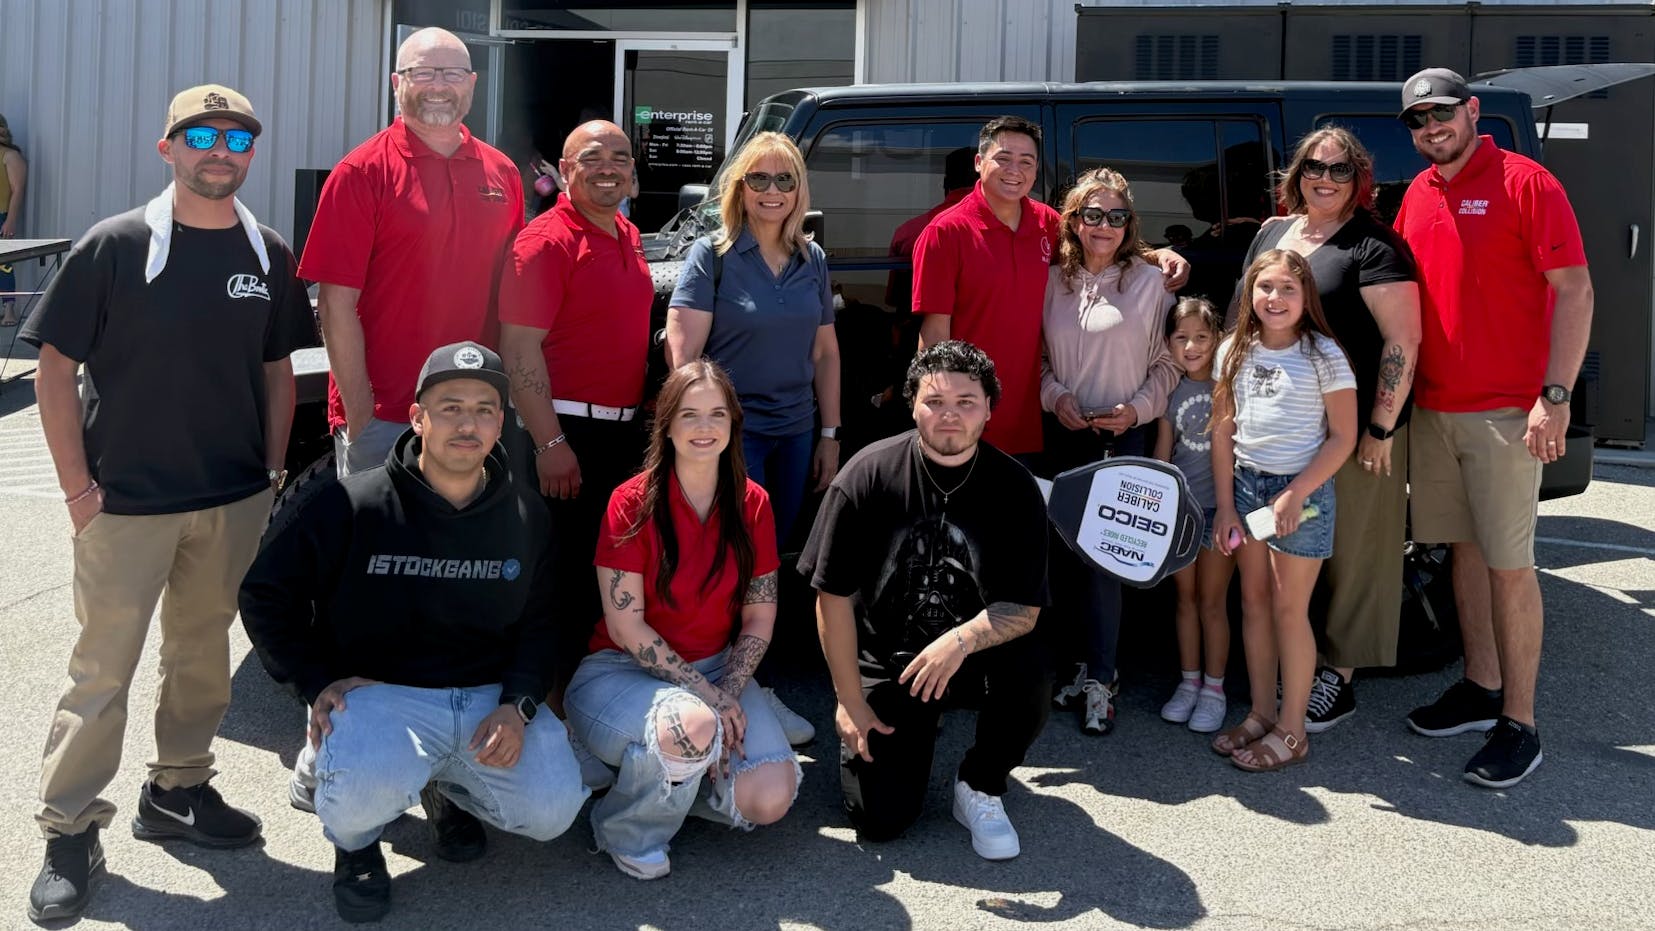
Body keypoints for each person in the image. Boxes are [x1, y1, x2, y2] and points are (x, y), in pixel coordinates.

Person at [20, 84, 314, 922]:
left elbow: (275, 370)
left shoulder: (268, 253)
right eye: (202, 134)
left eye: (238, 137)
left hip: (227, 500)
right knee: (101, 672)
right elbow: (52, 370)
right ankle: (69, 827)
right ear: (168, 147)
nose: (221, 149)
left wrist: (266, 473)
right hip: (126, 504)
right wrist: (79, 491)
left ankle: (177, 791)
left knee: (200, 656)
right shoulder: (115, 246)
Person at [239, 341, 587, 923]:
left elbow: (542, 622)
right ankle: (355, 847)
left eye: (483, 409)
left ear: (501, 423)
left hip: (482, 698)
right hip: (380, 694)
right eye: (449, 407)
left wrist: (519, 705)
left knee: (553, 810)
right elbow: (264, 594)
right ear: (418, 417)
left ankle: (440, 783)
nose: (467, 423)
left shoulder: (527, 515)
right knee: (355, 797)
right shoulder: (351, 503)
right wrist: (315, 680)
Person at [1394, 68, 1593, 788]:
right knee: (1463, 553)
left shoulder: (1525, 182)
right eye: (1416, 121)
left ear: (1471, 110)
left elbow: (1573, 289)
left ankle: (1520, 721)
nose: (1429, 129)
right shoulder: (1417, 194)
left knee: (1510, 566)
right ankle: (1479, 688)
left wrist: (1555, 395)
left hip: (1509, 411)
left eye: (1440, 114)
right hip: (1436, 408)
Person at [800, 341, 1051, 860]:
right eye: (935, 401)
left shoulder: (1016, 488)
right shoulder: (865, 478)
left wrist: (958, 642)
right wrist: (849, 701)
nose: (950, 416)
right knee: (882, 820)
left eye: (966, 401)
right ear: (911, 403)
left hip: (969, 652)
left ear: (989, 408)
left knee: (1032, 662)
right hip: (891, 658)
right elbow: (832, 599)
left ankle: (981, 782)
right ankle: (910, 737)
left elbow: (1023, 608)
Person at [564, 360, 799, 881]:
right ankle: (627, 826)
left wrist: (730, 691)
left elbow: (760, 616)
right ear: (665, 423)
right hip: (621, 671)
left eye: (718, 414)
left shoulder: (753, 503)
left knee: (769, 798)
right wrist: (711, 704)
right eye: (689, 415)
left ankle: (665, 776)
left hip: (718, 671)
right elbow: (627, 628)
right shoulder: (631, 502)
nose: (704, 427)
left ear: (734, 425)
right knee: (694, 728)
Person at [1234, 127, 1421, 733]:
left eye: (1341, 171)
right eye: (1315, 166)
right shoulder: (1272, 232)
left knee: (1353, 554)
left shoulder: (1374, 246)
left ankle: (1337, 676)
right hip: (1278, 428)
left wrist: (1381, 428)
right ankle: (1290, 662)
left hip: (1351, 428)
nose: (1325, 178)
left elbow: (1402, 339)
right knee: (1292, 551)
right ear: (1297, 171)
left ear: (1358, 179)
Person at [300, 26, 524, 477]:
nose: (439, 86)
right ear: (396, 82)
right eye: (423, 73)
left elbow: (512, 298)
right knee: (379, 546)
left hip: (477, 413)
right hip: (387, 419)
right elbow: (334, 306)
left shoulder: (503, 173)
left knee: (469, 543)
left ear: (472, 83)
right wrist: (363, 416)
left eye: (453, 73)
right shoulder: (361, 173)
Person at [911, 116, 1189, 460]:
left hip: (1034, 423)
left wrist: (1156, 254)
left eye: (1026, 161)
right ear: (979, 162)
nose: (1015, 170)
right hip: (971, 419)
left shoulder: (1045, 224)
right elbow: (934, 334)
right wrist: (939, 413)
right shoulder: (945, 234)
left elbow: (1099, 241)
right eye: (1004, 158)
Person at [497, 119, 653, 711]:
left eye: (620, 156)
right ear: (564, 172)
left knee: (599, 577)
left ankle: (584, 709)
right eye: (592, 157)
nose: (609, 166)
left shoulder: (628, 235)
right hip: (563, 432)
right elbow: (518, 349)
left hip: (619, 434)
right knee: (553, 582)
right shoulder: (545, 241)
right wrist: (548, 442)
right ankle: (543, 714)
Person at [1037, 168, 1179, 735]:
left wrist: (1138, 410)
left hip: (1125, 436)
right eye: (1092, 215)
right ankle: (1075, 668)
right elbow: (1037, 363)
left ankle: (1103, 677)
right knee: (1064, 558)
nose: (1104, 226)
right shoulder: (1050, 281)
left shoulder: (1152, 282)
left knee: (1108, 563)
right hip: (1064, 431)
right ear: (1073, 220)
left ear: (1129, 224)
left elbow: (1170, 364)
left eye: (1116, 216)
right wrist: (1056, 398)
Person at [1209, 250, 1357, 773]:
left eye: (1287, 289)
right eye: (1265, 287)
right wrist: (1226, 504)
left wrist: (1297, 493)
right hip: (1247, 491)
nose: (1275, 299)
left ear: (1305, 297)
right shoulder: (1232, 349)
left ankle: (1293, 730)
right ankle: (1261, 712)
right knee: (1252, 603)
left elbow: (1343, 437)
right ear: (1250, 293)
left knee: (1289, 609)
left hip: (1302, 495)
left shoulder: (1324, 355)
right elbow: (1223, 431)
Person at [665, 131, 842, 549]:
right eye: (759, 179)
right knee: (741, 547)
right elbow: (683, 358)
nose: (772, 191)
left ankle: (766, 617)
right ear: (740, 187)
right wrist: (701, 435)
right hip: (734, 435)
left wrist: (830, 437)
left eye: (785, 180)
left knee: (778, 547)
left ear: (800, 190)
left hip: (796, 430)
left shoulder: (811, 258)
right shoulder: (712, 255)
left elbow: (825, 353)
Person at [1153, 298, 1234, 734]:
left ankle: (1214, 689)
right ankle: (1188, 683)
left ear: (1217, 339)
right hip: (1181, 515)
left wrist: (1229, 510)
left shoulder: (1228, 388)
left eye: (1201, 336)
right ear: (1168, 343)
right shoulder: (1171, 390)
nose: (1191, 346)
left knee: (1212, 601)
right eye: (1181, 337)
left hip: (1220, 513)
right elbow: (1163, 456)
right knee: (1184, 600)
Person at [0, 112, 27, 326]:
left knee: (4, 266)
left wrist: (11, 220)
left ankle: (9, 310)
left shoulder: (10, 156)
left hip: (2, 216)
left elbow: (17, 190)